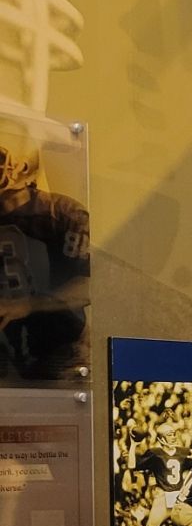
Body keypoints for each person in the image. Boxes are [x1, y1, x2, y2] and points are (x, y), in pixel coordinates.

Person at [0, 120, 89, 383]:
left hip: (59, 352)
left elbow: (88, 285)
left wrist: (29, 305)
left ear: (22, 166)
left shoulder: (61, 214)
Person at [125, 422, 192, 526]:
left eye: (173, 434)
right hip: (164, 498)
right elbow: (132, 465)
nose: (173, 437)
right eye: (169, 434)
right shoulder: (155, 453)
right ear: (161, 438)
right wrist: (133, 445)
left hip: (181, 499)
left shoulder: (183, 451)